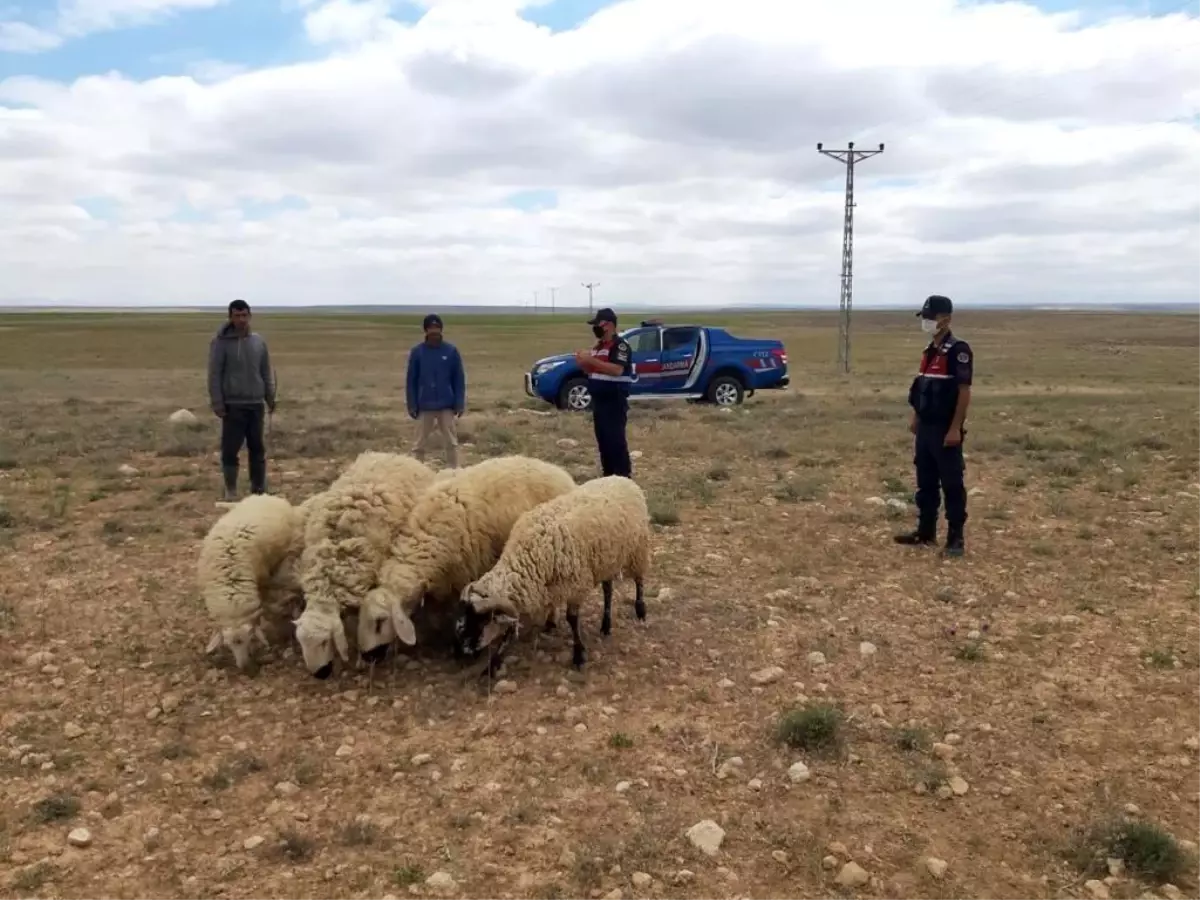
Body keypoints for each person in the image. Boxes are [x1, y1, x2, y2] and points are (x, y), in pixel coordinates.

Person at [895, 294, 972, 557]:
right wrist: (916, 416)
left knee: (951, 482)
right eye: (924, 317)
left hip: (945, 428)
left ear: (946, 319)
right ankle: (925, 531)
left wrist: (954, 428)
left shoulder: (959, 350)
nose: (926, 322)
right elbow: (922, 388)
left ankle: (955, 538)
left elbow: (963, 392)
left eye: (931, 317)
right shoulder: (929, 352)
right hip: (926, 427)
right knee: (925, 481)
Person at [207, 298, 276, 501]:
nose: (241, 319)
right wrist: (217, 403)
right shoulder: (220, 343)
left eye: (244, 315)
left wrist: (270, 397)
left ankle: (258, 491)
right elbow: (214, 374)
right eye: (236, 316)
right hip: (233, 406)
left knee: (257, 449)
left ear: (250, 316)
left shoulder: (258, 342)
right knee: (230, 450)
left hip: (255, 404)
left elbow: (265, 372)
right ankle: (231, 490)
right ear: (230, 317)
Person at [576, 307, 634, 478]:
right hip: (599, 401)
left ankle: (623, 476)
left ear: (608, 325)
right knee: (603, 441)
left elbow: (616, 370)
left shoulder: (620, 346)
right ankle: (608, 476)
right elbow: (592, 371)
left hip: (614, 401)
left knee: (615, 440)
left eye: (597, 324)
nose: (595, 328)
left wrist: (591, 360)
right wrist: (583, 362)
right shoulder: (598, 346)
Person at [406, 313, 465, 467]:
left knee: (451, 442)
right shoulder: (417, 352)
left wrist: (459, 402)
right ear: (425, 331)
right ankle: (416, 472)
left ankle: (454, 472)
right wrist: (412, 404)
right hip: (425, 405)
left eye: (437, 328)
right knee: (419, 444)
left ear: (441, 329)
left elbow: (458, 379)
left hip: (446, 405)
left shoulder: (451, 351)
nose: (434, 331)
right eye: (431, 328)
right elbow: (411, 380)